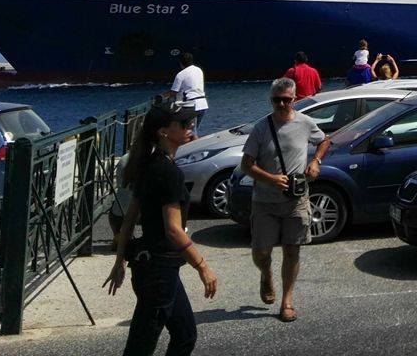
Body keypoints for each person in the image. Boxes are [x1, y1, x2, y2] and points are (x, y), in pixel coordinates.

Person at [104, 101, 217, 356]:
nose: (190, 125)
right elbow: (173, 230)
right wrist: (203, 267)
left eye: (190, 121)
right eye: (184, 123)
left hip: (157, 268)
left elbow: (129, 218)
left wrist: (120, 260)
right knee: (140, 348)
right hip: (158, 273)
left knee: (185, 335)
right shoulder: (167, 172)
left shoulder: (149, 163)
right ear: (164, 132)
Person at [241, 78, 331, 323]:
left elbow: (324, 140)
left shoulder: (305, 123)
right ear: (271, 100)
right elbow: (246, 165)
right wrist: (270, 179)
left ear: (294, 99)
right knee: (261, 252)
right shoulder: (261, 128)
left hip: (296, 200)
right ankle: (266, 273)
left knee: (292, 250)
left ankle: (287, 301)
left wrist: (315, 161)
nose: (281, 104)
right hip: (265, 201)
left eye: (286, 100)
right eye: (276, 100)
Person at [165, 53, 208, 134]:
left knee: (188, 132)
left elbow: (173, 92)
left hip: (191, 106)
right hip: (203, 104)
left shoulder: (180, 75)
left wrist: (162, 96)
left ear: (181, 63)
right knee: (192, 132)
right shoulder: (199, 70)